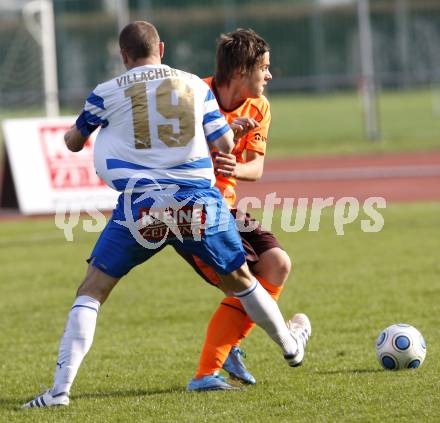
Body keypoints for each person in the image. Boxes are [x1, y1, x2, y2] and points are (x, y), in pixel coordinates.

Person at [23, 21, 308, 409]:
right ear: (162, 47)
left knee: (92, 290)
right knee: (241, 277)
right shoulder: (194, 85)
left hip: (141, 207)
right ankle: (290, 347)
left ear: (124, 56)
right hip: (197, 202)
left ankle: (59, 391)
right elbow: (224, 143)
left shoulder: (107, 92)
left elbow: (73, 143)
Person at [176, 29, 312, 391]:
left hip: (225, 208)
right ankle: (210, 371)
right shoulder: (194, 96)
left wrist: (233, 165)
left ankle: (231, 348)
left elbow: (255, 168)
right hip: (188, 208)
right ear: (240, 71)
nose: (269, 75)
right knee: (244, 285)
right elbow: (172, 159)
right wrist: (225, 135)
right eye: (263, 68)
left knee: (275, 265)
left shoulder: (260, 106)